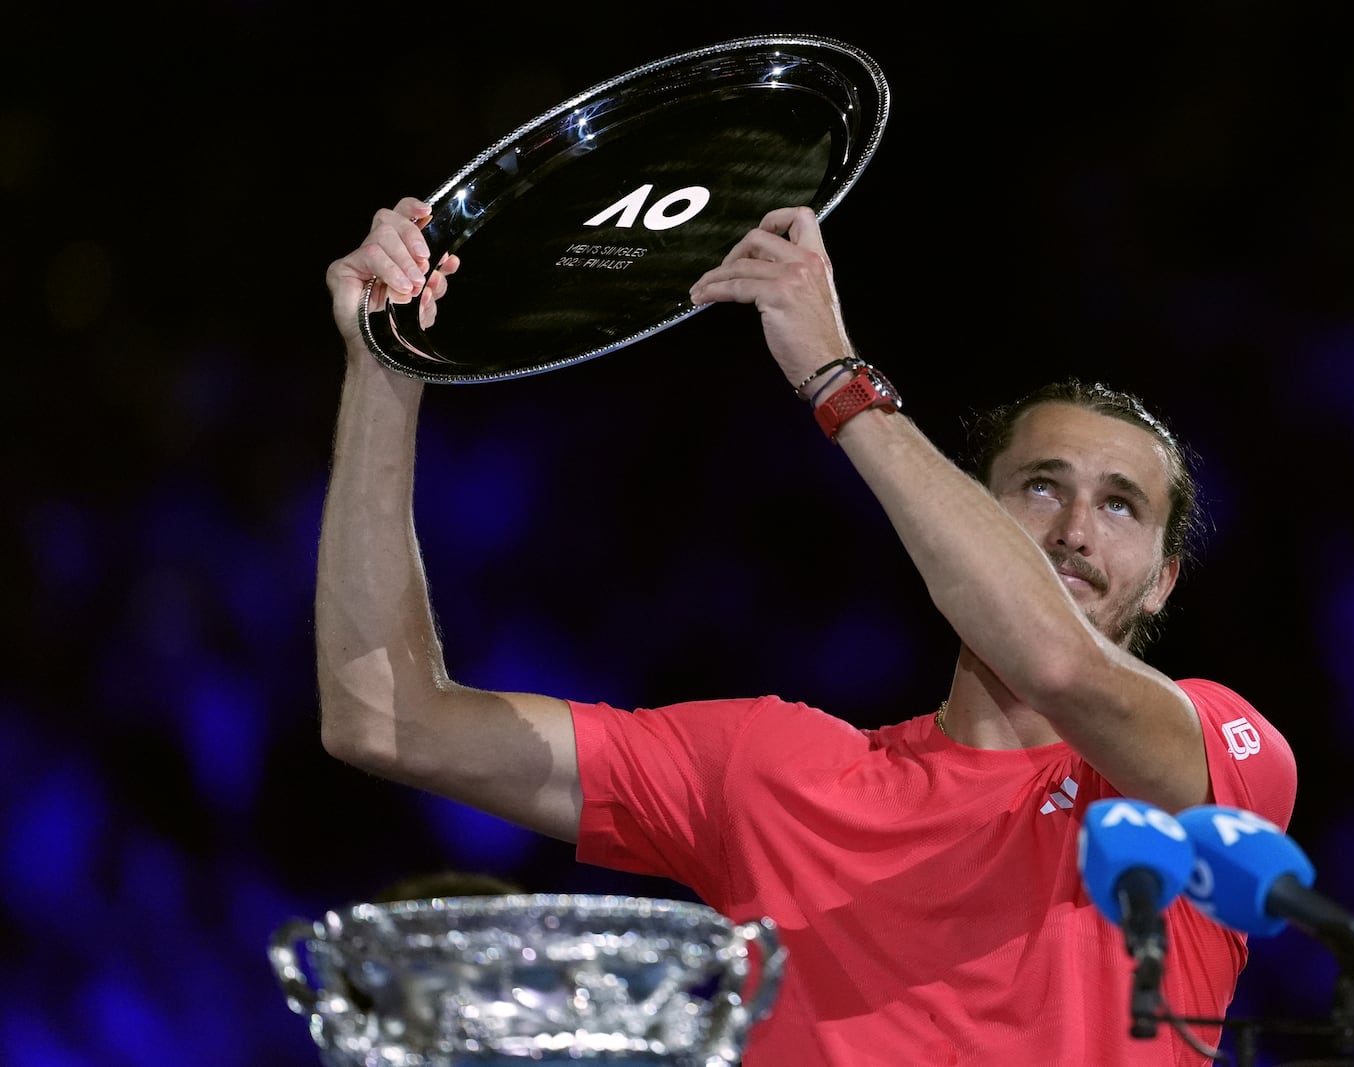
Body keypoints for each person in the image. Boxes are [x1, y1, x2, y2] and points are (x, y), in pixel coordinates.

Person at [315, 195, 1298, 1066]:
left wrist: (835, 374)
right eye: (1039, 487)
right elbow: (387, 719)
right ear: (961, 514)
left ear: (1163, 581)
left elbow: (1058, 663)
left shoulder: (1208, 773)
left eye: (1121, 505)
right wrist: (385, 372)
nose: (1074, 530)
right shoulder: (772, 770)